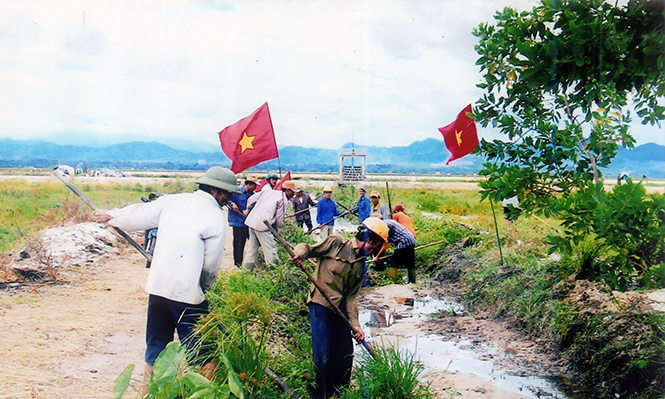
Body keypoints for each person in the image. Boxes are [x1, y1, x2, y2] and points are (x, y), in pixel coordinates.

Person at [92, 166, 241, 392]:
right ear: (216, 190)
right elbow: (210, 266)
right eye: (227, 193)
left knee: (156, 349)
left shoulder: (174, 201)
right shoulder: (214, 217)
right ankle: (203, 395)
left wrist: (113, 215)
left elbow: (140, 214)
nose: (228, 199)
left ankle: (147, 394)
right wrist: (207, 292)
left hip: (158, 288)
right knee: (203, 353)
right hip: (188, 295)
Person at [289, 217, 389, 399]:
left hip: (340, 309)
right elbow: (308, 248)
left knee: (345, 352)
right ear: (368, 240)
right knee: (324, 353)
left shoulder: (361, 265)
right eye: (375, 247)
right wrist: (299, 254)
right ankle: (321, 394)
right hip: (321, 303)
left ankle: (340, 392)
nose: (375, 251)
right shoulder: (336, 244)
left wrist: (355, 325)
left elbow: (351, 299)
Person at [243, 180, 297, 270]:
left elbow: (251, 199)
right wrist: (275, 232)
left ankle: (246, 271)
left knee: (252, 249)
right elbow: (279, 220)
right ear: (287, 190)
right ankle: (273, 272)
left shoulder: (268, 192)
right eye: (293, 192)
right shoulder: (283, 200)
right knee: (271, 250)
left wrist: (248, 211)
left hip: (252, 222)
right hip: (263, 226)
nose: (293, 195)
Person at [374, 218, 417, 284]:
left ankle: (391, 282)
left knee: (394, 262)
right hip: (411, 239)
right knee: (410, 264)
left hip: (404, 241)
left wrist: (377, 256)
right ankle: (412, 282)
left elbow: (385, 245)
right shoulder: (389, 221)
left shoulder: (385, 226)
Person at [228, 175, 258, 267]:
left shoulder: (254, 195)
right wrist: (232, 204)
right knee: (238, 244)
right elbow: (227, 200)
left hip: (249, 223)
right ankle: (237, 265)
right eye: (254, 185)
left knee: (254, 243)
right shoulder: (236, 191)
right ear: (249, 184)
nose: (256, 187)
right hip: (238, 222)